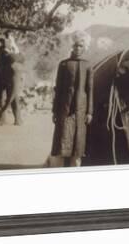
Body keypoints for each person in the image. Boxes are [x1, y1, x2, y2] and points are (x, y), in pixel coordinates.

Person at [51, 31, 94, 167]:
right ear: (72, 46)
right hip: (64, 110)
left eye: (81, 46)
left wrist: (89, 112)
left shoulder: (87, 65)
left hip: (80, 111)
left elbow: (90, 90)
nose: (78, 49)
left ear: (85, 47)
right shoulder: (63, 64)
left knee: (77, 149)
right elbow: (58, 89)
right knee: (62, 146)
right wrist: (54, 111)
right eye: (76, 46)